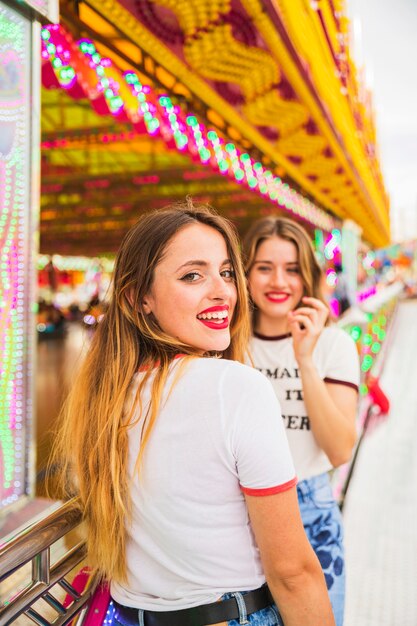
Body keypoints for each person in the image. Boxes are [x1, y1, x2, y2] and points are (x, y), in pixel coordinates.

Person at [52, 200, 335, 626]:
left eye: (225, 272)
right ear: (138, 298)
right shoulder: (235, 388)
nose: (222, 291)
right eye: (192, 275)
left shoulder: (104, 396)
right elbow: (293, 572)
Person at [243, 216, 360, 626]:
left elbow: (340, 449)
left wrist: (305, 358)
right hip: (238, 518)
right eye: (264, 267)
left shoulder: (335, 345)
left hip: (311, 512)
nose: (279, 281)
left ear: (307, 277)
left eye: (292, 269)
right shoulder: (225, 346)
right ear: (245, 274)